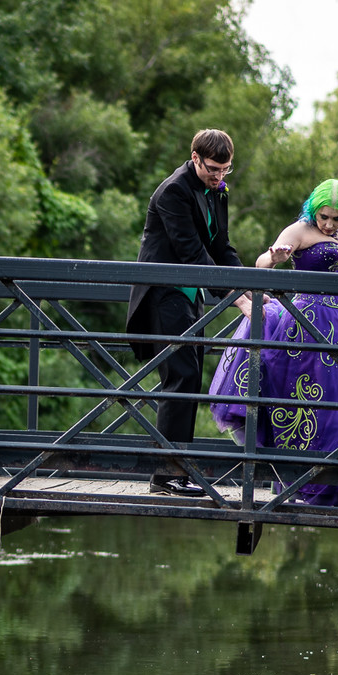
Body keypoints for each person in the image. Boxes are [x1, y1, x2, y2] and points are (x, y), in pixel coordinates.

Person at [207, 178, 338, 507]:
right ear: (314, 211)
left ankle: (334, 482)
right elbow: (261, 264)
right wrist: (276, 257)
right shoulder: (298, 230)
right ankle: (296, 480)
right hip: (306, 325)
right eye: (324, 217)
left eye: (336, 219)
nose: (328, 224)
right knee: (301, 403)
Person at [126, 129, 246, 497]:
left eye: (226, 170)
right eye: (213, 169)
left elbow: (220, 245)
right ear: (194, 157)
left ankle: (180, 471)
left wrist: (248, 285)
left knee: (190, 380)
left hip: (190, 297)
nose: (219, 177)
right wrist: (236, 298)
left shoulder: (216, 189)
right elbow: (192, 252)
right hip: (164, 295)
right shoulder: (173, 191)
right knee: (180, 378)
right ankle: (165, 476)